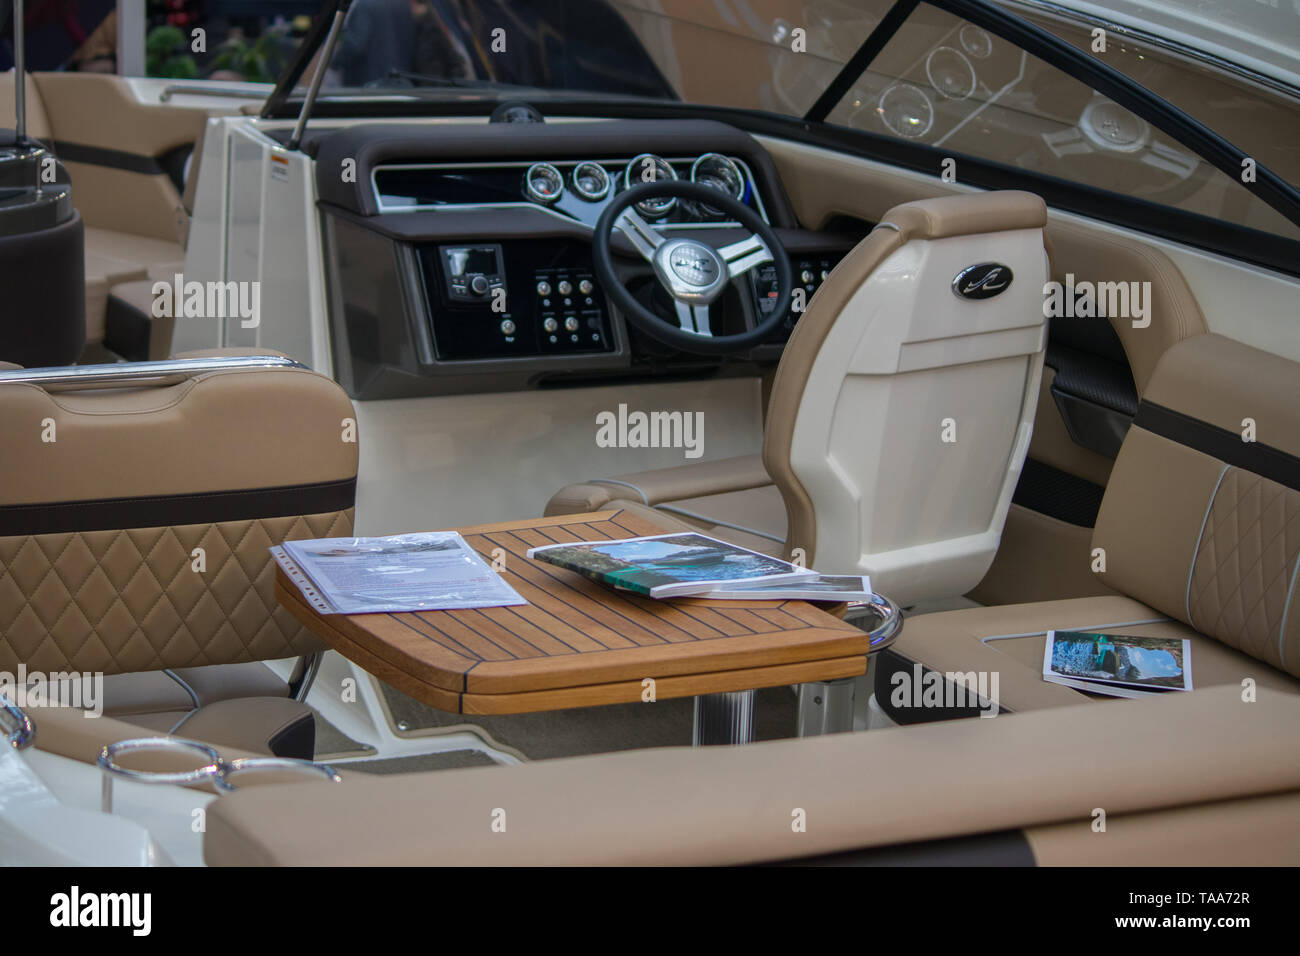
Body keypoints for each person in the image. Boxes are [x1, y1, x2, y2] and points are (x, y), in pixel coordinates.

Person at [330, 0, 415, 87]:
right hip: (401, 80)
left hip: (368, 83)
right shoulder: (404, 4)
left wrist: (333, 62)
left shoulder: (364, 5)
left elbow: (355, 45)